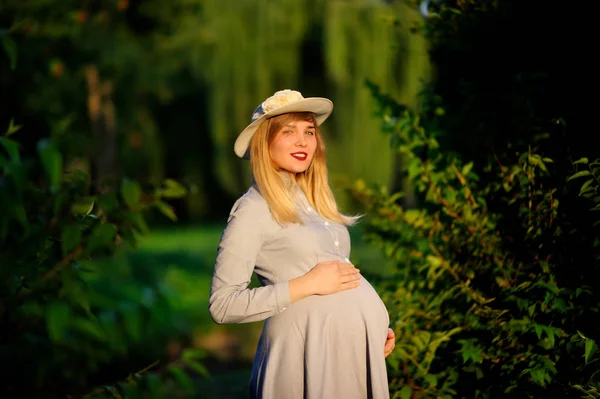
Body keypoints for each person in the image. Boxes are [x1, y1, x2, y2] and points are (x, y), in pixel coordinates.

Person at [209, 89, 395, 398]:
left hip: (345, 356)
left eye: (309, 131)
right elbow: (223, 304)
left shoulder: (313, 201)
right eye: (288, 131)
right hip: (303, 356)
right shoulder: (252, 209)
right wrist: (306, 284)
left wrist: (369, 330)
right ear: (264, 142)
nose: (303, 141)